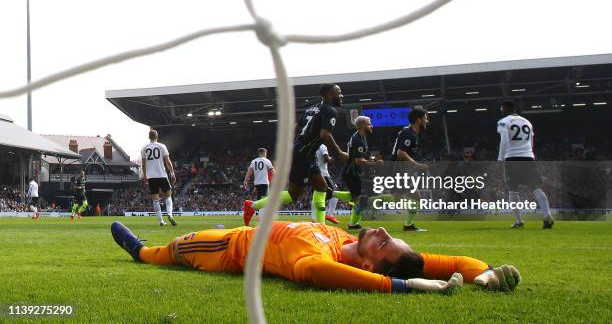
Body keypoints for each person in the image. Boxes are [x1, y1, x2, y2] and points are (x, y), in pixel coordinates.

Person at [111, 220, 520, 293]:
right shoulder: (348, 240)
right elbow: (453, 263)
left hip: (226, 247)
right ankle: (141, 246)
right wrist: (484, 275)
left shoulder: (314, 256)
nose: (380, 232)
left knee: (158, 254)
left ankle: (138, 249)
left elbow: (311, 272)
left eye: (381, 244)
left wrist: (400, 286)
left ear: (368, 265)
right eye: (388, 237)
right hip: (242, 231)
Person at [243, 84, 349, 225]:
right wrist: (340, 153)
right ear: (328, 94)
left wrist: (294, 144)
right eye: (338, 93)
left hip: (306, 154)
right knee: (293, 194)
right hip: (303, 155)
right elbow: (325, 134)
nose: (341, 96)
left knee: (322, 188)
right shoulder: (330, 110)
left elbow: (296, 126)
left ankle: (319, 225)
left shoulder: (312, 108)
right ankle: (252, 206)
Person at [497, 101, 554, 229]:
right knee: (535, 187)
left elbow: (504, 140)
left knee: (512, 189)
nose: (501, 111)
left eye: (501, 109)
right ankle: (547, 216)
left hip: (512, 158)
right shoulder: (527, 122)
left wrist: (500, 159)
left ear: (504, 109)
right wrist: (530, 155)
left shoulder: (503, 122)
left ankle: (519, 221)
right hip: (528, 157)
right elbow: (532, 140)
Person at [340, 116, 383, 229]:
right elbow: (359, 161)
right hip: (351, 172)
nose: (371, 126)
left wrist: (373, 161)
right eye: (369, 124)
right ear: (362, 125)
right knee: (360, 198)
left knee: (357, 198)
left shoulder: (361, 138)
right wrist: (375, 163)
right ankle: (331, 194)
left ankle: (354, 223)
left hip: (353, 172)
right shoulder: (358, 139)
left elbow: (359, 157)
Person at [391, 107, 429, 232]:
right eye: (425, 118)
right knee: (416, 197)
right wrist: (416, 164)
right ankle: (408, 225)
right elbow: (400, 152)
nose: (426, 121)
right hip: (399, 170)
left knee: (399, 196)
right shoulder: (408, 133)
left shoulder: (411, 133)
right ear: (418, 120)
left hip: (400, 169)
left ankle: (408, 224)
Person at [141, 130, 177, 227]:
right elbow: (168, 162)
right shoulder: (162, 146)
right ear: (157, 136)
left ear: (149, 137)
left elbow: (143, 164)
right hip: (162, 174)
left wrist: (145, 175)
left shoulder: (144, 148)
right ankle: (170, 215)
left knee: (155, 199)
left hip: (151, 177)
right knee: (168, 195)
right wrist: (172, 173)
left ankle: (161, 221)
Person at [314, 144, 340, 224]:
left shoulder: (314, 146)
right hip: (323, 174)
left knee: (320, 195)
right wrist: (331, 158)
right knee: (335, 192)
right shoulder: (322, 146)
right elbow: (326, 159)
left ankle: (315, 218)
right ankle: (329, 214)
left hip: (316, 173)